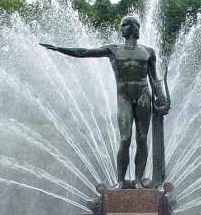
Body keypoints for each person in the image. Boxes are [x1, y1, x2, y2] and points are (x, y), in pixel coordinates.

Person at [41, 16, 170, 188]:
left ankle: (139, 181)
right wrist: (59, 49)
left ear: (133, 28)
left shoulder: (148, 52)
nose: (121, 29)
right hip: (124, 96)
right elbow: (85, 52)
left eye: (124, 26)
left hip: (143, 96)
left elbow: (154, 80)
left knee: (142, 138)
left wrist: (160, 98)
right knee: (125, 139)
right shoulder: (113, 50)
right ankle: (120, 182)